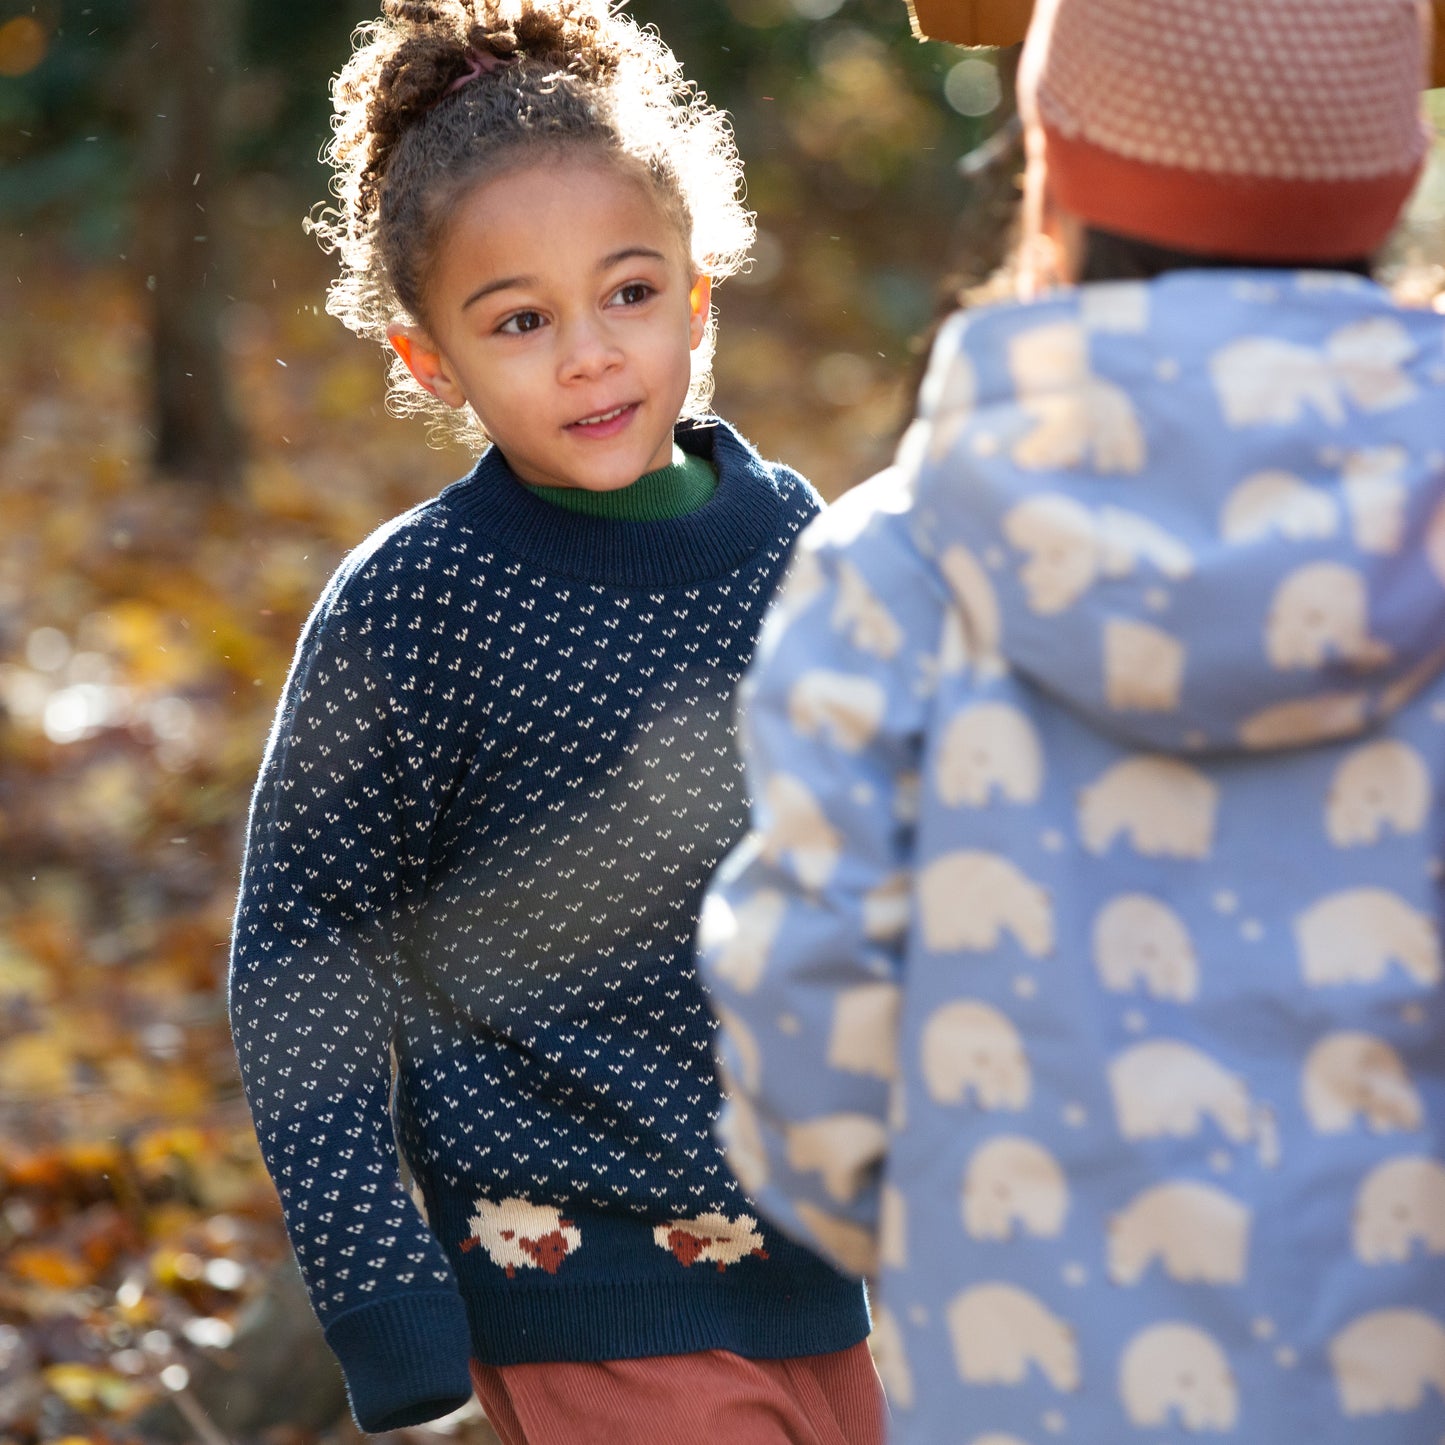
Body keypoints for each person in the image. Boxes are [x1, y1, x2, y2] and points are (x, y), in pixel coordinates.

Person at [697, 2, 1445, 1441]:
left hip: (1016, 1381)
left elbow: (807, 995)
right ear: (1392, 186)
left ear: (1051, 179)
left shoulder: (899, 568)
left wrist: (936, 1223)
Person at [227, 3, 884, 1440]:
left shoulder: (804, 545)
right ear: (429, 361)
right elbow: (301, 947)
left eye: (629, 292)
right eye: (521, 321)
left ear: (698, 296)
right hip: (579, 1282)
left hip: (818, 1268)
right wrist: (377, 1283)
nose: (589, 354)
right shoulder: (418, 604)